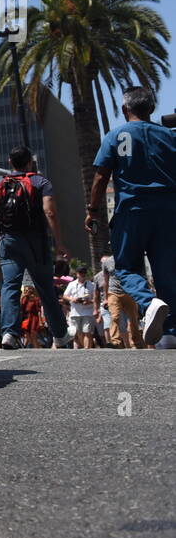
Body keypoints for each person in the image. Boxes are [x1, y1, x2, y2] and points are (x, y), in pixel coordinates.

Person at [88, 86, 176, 348]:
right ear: (151, 108)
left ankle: (150, 303)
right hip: (168, 211)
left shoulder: (116, 136)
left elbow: (101, 176)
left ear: (125, 109)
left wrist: (92, 211)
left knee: (125, 266)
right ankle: (170, 334)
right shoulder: (169, 136)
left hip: (132, 210)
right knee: (167, 272)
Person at [0, 146, 72, 350]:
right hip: (35, 241)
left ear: (10, 163)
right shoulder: (40, 182)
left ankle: (9, 334)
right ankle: (59, 335)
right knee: (44, 288)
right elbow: (49, 211)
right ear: (30, 162)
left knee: (10, 286)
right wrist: (59, 243)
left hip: (8, 241)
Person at [95, 255, 141, 349]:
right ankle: (116, 342)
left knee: (133, 318)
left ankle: (135, 342)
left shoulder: (128, 258)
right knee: (115, 316)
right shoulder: (107, 262)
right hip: (113, 292)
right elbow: (106, 280)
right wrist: (106, 298)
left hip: (129, 292)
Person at [63, 265, 96, 348]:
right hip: (75, 312)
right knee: (78, 333)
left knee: (87, 331)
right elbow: (65, 296)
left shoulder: (91, 284)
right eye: (80, 272)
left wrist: (89, 302)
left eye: (84, 272)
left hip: (87, 312)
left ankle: (86, 349)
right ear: (77, 274)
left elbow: (96, 299)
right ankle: (83, 346)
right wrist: (72, 299)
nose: (82, 274)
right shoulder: (72, 284)